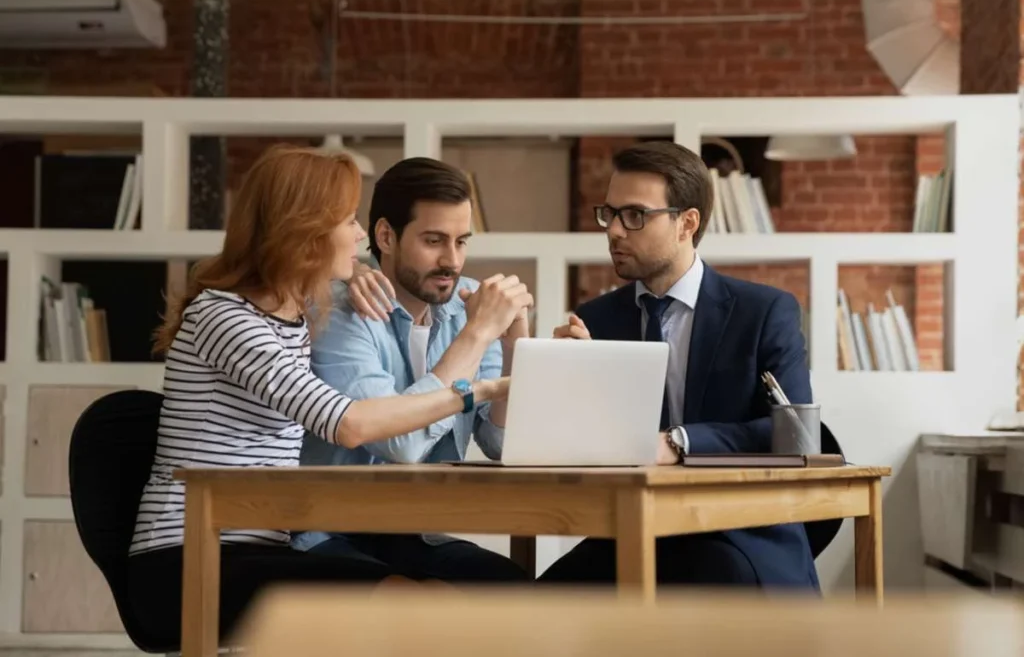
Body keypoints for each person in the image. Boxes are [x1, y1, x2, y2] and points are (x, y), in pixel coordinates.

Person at [126, 145, 517, 646]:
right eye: (347, 221)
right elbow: (350, 423)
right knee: (416, 606)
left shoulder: (290, 318)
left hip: (262, 546)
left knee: (449, 601)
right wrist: (473, 390)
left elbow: (315, 296)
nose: (361, 234)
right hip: (188, 558)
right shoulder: (223, 318)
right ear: (303, 230)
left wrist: (354, 274)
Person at [541, 140, 819, 590]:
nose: (613, 231)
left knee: (702, 585)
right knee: (535, 605)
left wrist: (680, 442)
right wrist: (568, 378)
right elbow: (586, 448)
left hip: (739, 535)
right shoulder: (596, 320)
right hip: (633, 531)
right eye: (608, 214)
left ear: (687, 223)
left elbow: (792, 432)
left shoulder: (765, 311)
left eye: (634, 215)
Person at [292, 157, 531, 583]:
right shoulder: (341, 311)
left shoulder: (467, 307)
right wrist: (476, 335)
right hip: (332, 532)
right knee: (408, 603)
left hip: (416, 533)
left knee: (510, 586)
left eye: (461, 242)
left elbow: (500, 444)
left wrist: (516, 345)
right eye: (434, 240)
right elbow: (399, 444)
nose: (452, 261)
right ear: (385, 236)